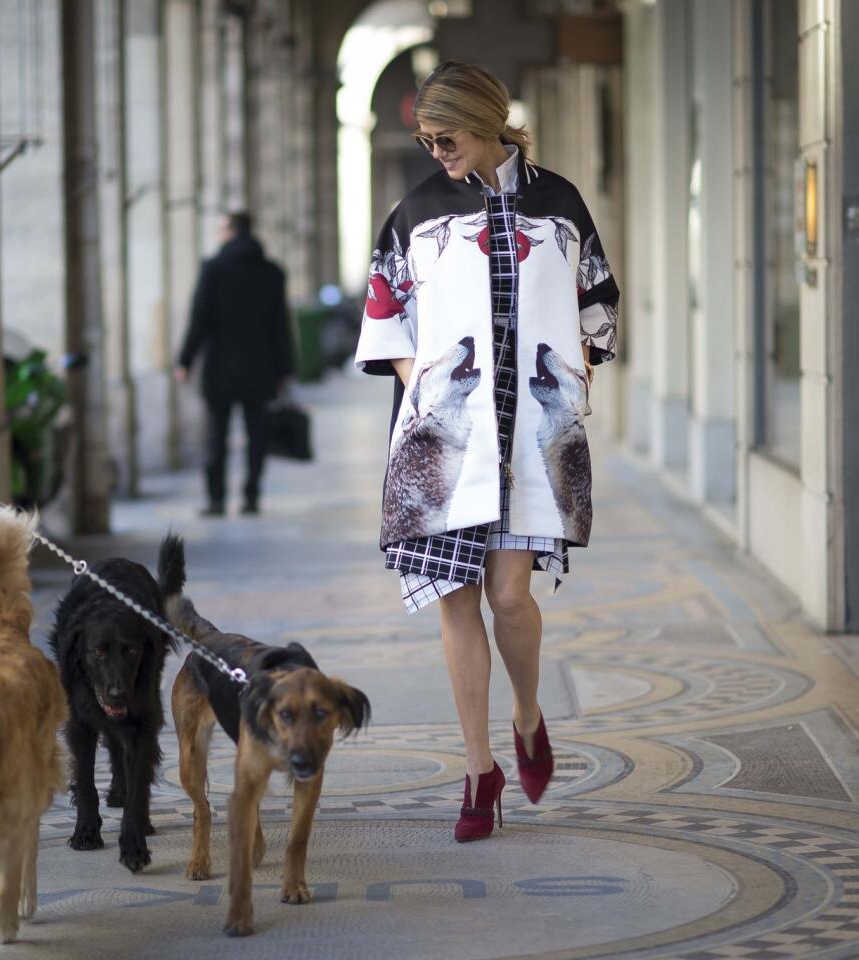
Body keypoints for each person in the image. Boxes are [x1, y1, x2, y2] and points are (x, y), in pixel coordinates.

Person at [354, 62, 620, 842]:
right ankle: (479, 772)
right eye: (426, 138)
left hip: (533, 435)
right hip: (444, 445)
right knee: (457, 604)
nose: (436, 150)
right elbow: (384, 319)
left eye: (448, 136)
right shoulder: (417, 211)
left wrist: (573, 379)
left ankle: (528, 719)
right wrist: (427, 387)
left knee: (510, 598)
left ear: (489, 122)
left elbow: (598, 308)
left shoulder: (559, 204)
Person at [176, 212, 295, 517]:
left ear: (230, 231)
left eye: (220, 230)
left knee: (216, 434)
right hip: (261, 367)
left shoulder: (213, 268)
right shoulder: (271, 272)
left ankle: (216, 500)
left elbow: (198, 319)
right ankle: (251, 497)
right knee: (256, 433)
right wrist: (284, 369)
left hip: (220, 368)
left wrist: (185, 360)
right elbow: (280, 325)